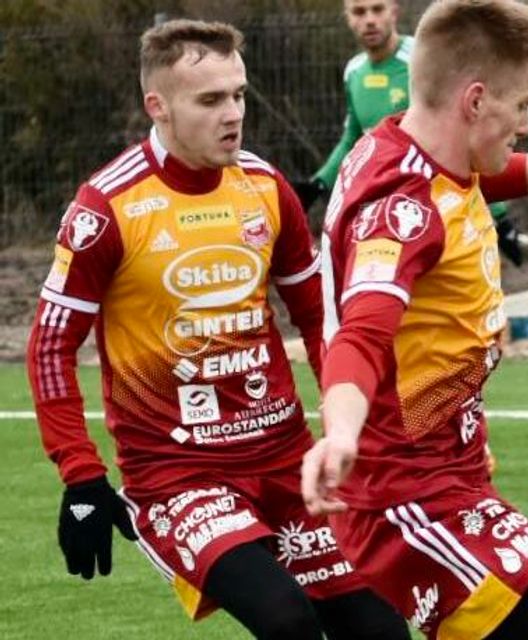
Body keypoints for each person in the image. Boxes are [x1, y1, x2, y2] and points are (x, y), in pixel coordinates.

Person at [300, 1, 528, 638]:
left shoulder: (400, 144)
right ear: (474, 100)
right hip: (406, 504)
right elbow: (363, 332)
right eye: (523, 105)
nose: (527, 125)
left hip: (451, 485)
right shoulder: (400, 212)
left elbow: (478, 180)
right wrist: (338, 433)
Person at [26, 19, 409, 640]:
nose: (233, 114)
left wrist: (354, 425)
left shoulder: (265, 187)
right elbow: (50, 347)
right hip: (177, 477)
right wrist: (82, 476)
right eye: (210, 100)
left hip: (287, 461)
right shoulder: (107, 208)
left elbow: (319, 319)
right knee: (285, 619)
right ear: (159, 107)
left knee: (382, 628)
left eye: (239, 95)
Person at [295, 0, 528, 266]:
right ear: (348, 17)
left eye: (377, 9)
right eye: (359, 12)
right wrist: (317, 184)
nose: (369, 20)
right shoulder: (353, 71)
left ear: (394, 10)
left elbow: (463, 138)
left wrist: (499, 218)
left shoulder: (422, 62)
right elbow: (353, 136)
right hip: (388, 209)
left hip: (442, 208)